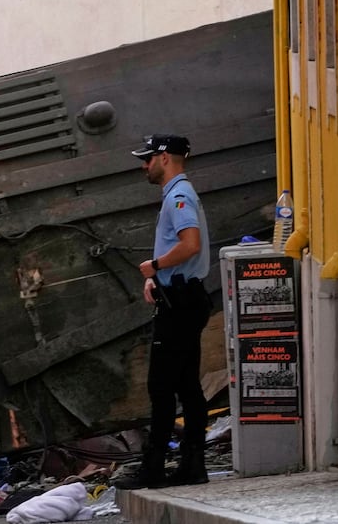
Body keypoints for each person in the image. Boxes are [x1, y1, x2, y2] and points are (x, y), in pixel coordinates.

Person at [118, 134, 213, 489]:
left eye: (148, 159)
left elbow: (190, 245)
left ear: (165, 158)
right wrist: (160, 277)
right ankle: (192, 465)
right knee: (187, 386)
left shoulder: (178, 196)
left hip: (181, 305)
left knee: (161, 386)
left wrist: (154, 265)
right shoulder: (178, 194)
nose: (144, 165)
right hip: (183, 297)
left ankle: (153, 469)